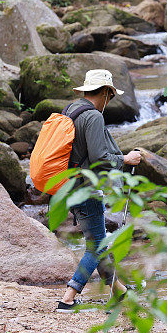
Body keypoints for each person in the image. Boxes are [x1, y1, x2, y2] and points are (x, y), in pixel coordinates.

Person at [57, 69, 142, 312]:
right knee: (96, 246)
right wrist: (126, 158)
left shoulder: (71, 110)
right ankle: (68, 297)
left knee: (99, 242)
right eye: (111, 95)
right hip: (87, 188)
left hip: (70, 185)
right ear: (105, 92)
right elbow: (98, 157)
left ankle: (120, 291)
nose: (110, 100)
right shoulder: (93, 116)